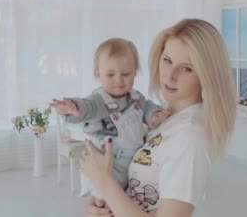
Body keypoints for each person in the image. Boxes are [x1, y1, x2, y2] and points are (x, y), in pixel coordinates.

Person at [80, 18, 237, 217]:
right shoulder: (162, 117)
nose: (170, 76)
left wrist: (104, 181)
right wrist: (104, 201)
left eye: (186, 68)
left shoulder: (190, 138)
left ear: (206, 75)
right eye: (167, 60)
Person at [50, 38, 170, 201]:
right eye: (110, 74)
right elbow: (88, 106)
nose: (119, 80)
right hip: (107, 166)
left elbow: (147, 107)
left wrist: (154, 114)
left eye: (126, 74)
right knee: (105, 204)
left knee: (130, 202)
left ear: (135, 71)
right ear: (98, 74)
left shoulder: (135, 98)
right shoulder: (99, 101)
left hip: (133, 163)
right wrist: (74, 107)